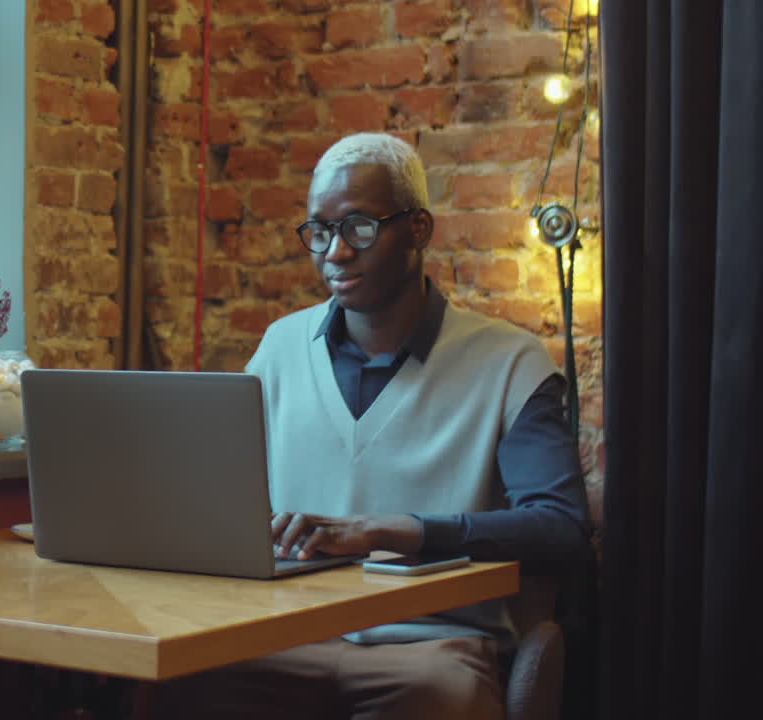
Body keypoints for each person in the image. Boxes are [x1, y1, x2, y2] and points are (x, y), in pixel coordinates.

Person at [152, 133, 591, 719]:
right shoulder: (280, 348)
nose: (335, 251)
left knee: (442, 699)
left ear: (418, 230)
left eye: (359, 227)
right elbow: (218, 497)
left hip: (430, 648)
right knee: (178, 688)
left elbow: (560, 530)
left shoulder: (509, 364)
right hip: (279, 637)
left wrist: (398, 530)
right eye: (319, 231)